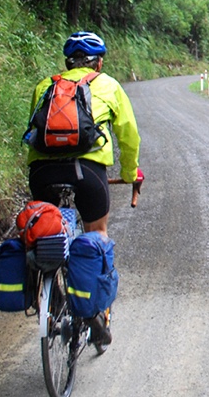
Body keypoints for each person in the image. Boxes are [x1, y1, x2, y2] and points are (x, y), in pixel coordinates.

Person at [26, 31, 141, 346]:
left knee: (46, 231)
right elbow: (128, 134)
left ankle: (52, 297)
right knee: (97, 232)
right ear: (99, 62)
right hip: (87, 171)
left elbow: (32, 131)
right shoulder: (109, 85)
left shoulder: (44, 85)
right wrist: (130, 172)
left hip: (42, 171)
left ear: (67, 62)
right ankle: (95, 308)